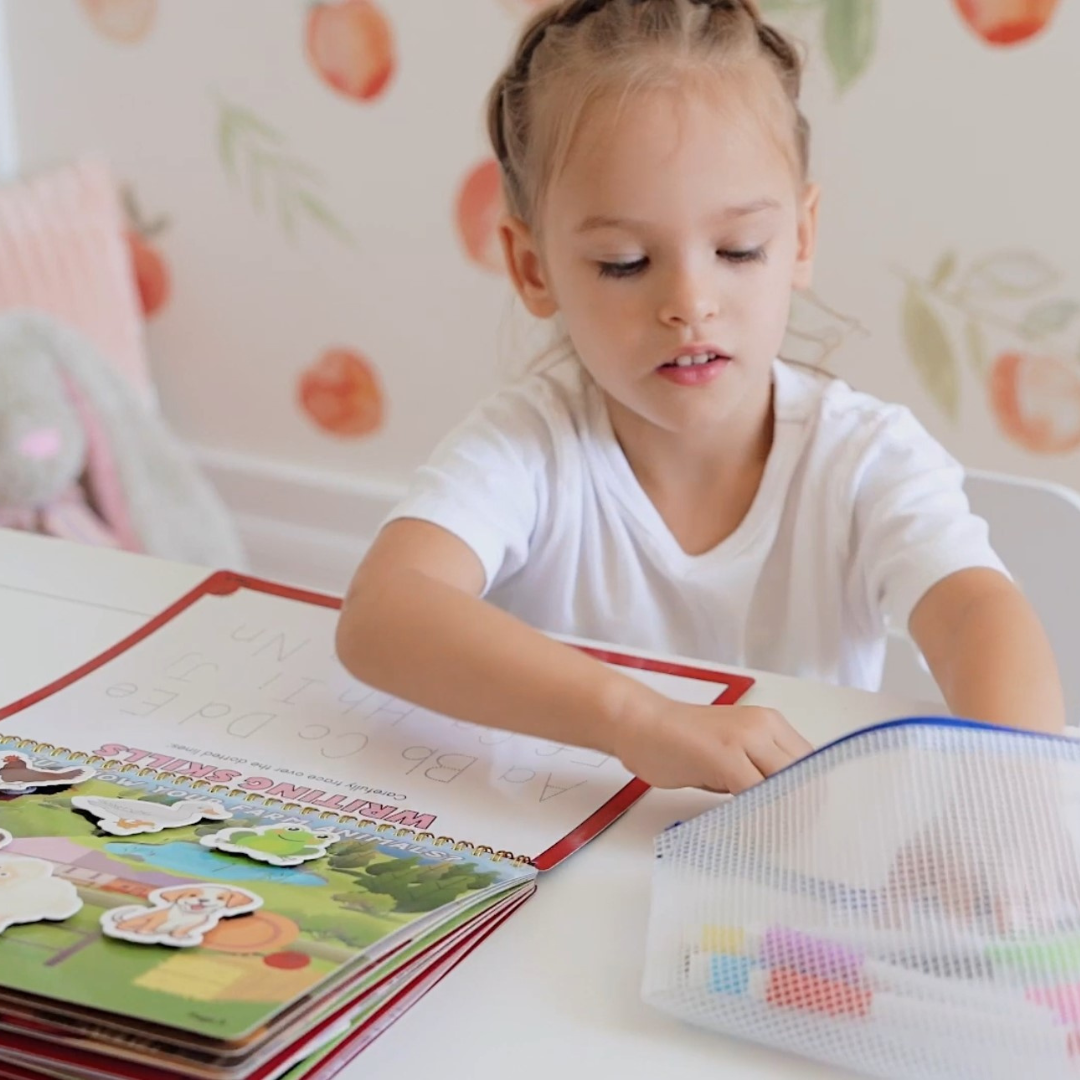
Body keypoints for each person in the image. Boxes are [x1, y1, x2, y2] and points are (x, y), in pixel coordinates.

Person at [335, 0, 1065, 797]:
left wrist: (1012, 800)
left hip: (782, 868)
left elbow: (973, 617)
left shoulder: (863, 458)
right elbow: (382, 613)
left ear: (801, 239)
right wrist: (635, 720)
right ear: (534, 269)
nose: (689, 301)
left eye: (737, 250)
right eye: (623, 262)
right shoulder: (528, 445)